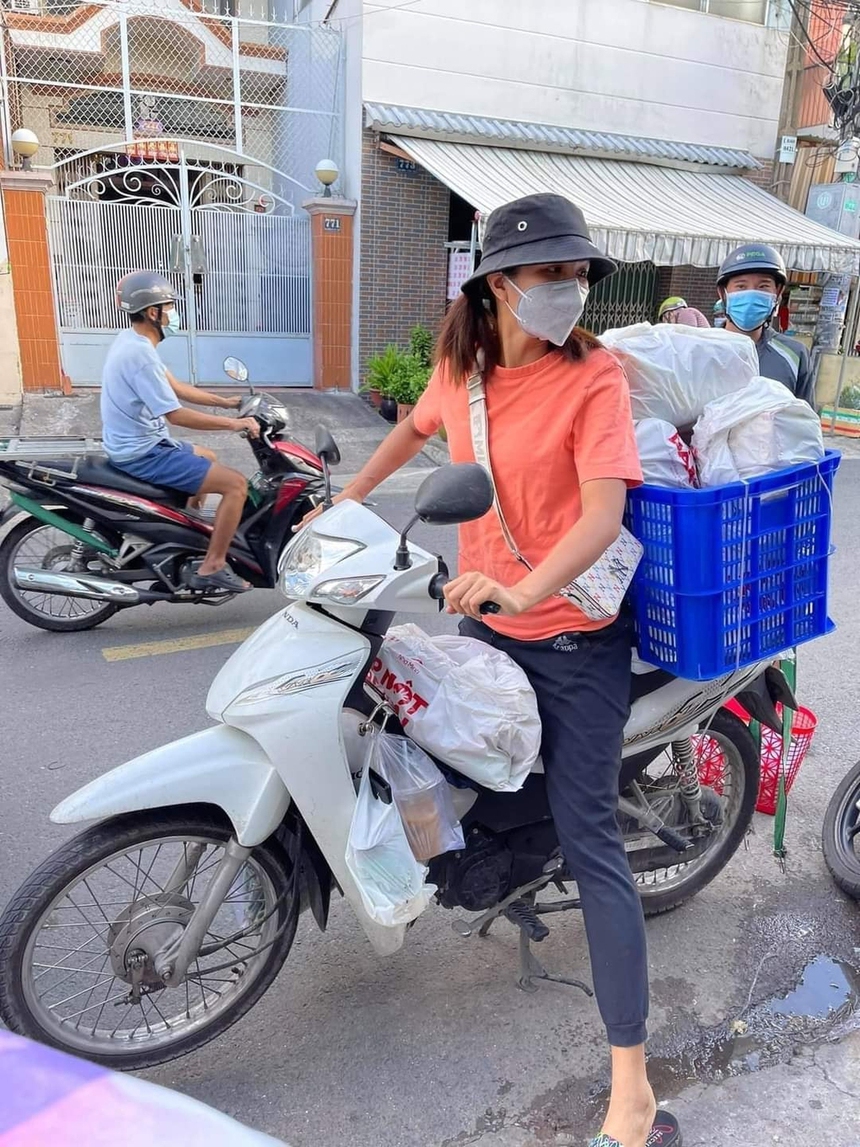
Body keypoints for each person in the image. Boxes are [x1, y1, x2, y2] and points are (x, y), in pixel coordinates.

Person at [303, 194, 680, 1147]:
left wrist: (524, 589)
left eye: (578, 273)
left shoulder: (592, 376)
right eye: (553, 273)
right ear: (499, 285)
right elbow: (411, 431)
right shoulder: (461, 373)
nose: (570, 289)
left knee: (590, 841)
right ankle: (492, 871)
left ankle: (632, 1090)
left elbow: (601, 515)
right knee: (411, 741)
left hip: (575, 636)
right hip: (487, 623)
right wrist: (344, 503)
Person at [101, 271, 259, 593]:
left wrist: (228, 403)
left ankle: (186, 533)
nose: (174, 314)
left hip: (141, 443)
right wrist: (235, 424)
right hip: (143, 452)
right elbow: (176, 414)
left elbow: (177, 388)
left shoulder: (132, 341)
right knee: (236, 485)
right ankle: (213, 566)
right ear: (153, 312)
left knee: (208, 456)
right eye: (170, 306)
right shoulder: (140, 355)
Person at [717, 244, 813, 404]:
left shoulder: (795, 355)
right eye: (741, 286)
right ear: (723, 293)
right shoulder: (700, 351)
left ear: (777, 293)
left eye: (763, 286)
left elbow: (805, 417)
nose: (751, 294)